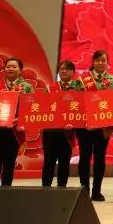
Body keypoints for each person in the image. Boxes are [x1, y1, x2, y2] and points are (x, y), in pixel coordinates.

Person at [77, 50, 113, 200]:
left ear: (107, 62)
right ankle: (84, 190)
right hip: (84, 126)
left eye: (103, 60)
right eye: (97, 60)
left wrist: (111, 125)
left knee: (100, 158)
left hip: (103, 127)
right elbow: (76, 102)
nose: (100, 63)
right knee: (84, 157)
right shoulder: (82, 81)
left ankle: (96, 191)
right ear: (93, 62)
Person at [0, 57, 33, 187]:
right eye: (8, 67)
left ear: (20, 70)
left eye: (14, 67)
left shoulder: (27, 87)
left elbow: (31, 108)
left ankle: (6, 189)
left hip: (14, 129)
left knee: (9, 161)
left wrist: (20, 118)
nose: (10, 69)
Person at [41, 60, 77, 188]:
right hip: (50, 131)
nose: (64, 71)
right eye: (61, 69)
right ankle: (45, 188)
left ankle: (62, 189)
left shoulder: (79, 89)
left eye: (67, 69)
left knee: (64, 161)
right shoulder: (49, 88)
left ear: (73, 72)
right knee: (49, 161)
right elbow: (43, 107)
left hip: (68, 131)